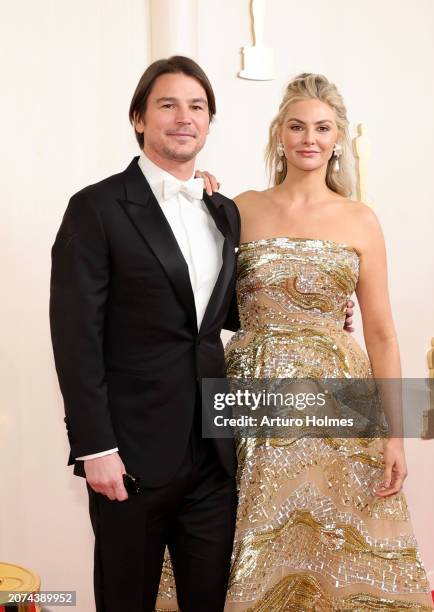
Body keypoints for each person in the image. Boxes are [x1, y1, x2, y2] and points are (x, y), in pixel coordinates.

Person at [221, 73, 434, 610]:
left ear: (337, 137)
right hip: (253, 386)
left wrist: (395, 434)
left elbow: (382, 332)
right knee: (249, 532)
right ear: (279, 134)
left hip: (340, 394)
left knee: (338, 534)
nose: (308, 138)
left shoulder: (360, 219)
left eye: (321, 127)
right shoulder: (239, 208)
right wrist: (197, 191)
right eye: (296, 126)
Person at [49, 56, 242, 612]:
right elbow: (74, 336)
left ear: (209, 122)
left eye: (197, 107)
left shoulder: (224, 212)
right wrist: (95, 448)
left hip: (213, 453)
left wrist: (320, 314)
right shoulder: (96, 208)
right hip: (128, 456)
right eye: (168, 104)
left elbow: (213, 317)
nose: (185, 117)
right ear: (139, 118)